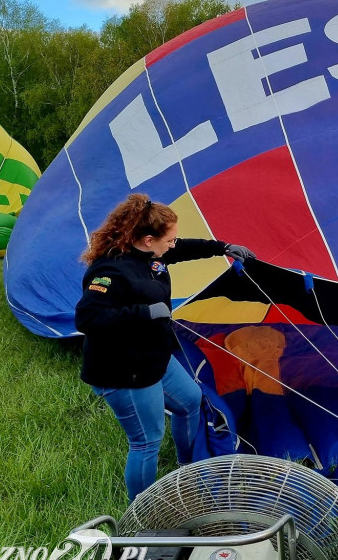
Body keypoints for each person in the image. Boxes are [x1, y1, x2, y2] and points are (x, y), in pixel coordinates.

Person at [75, 193, 255, 500]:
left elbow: (183, 248)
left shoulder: (151, 255)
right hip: (122, 371)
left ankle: (187, 466)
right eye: (169, 240)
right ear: (147, 239)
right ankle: (143, 513)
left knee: (190, 401)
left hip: (153, 356)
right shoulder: (109, 272)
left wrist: (222, 248)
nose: (174, 245)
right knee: (146, 440)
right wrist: (145, 313)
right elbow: (88, 318)